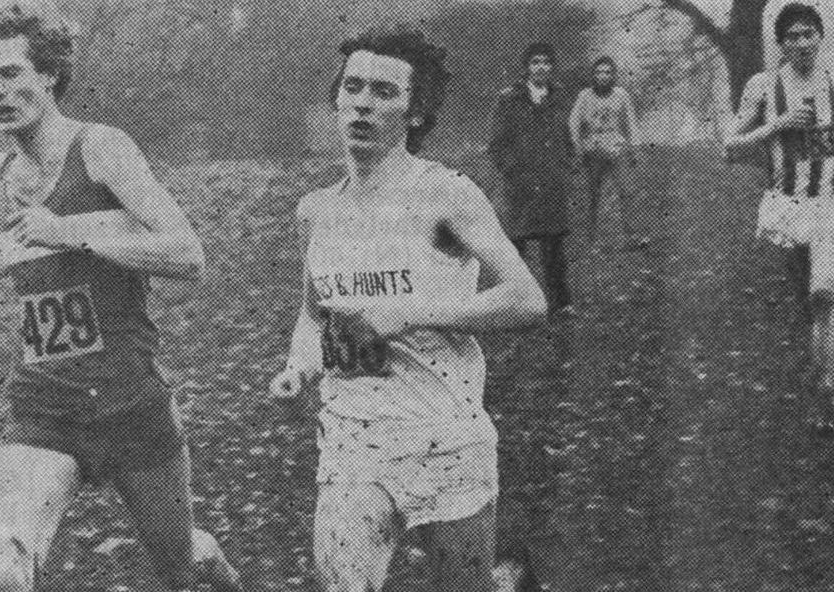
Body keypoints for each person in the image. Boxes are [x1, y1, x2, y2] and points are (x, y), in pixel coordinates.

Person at [0, 4, 241, 590]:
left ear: (49, 74)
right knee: (6, 570)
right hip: (44, 402)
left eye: (11, 73)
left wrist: (70, 231)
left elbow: (187, 255)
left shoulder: (100, 148)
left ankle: (207, 560)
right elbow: (17, 246)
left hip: (129, 399)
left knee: (180, 567)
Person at [269, 27, 547, 592]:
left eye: (383, 91)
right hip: (353, 439)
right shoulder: (315, 211)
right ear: (336, 99)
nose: (362, 104)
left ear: (416, 113)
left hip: (444, 438)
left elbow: (526, 299)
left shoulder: (445, 194)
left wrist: (411, 313)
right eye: (352, 87)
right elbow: (314, 314)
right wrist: (298, 366)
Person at [725, 2, 834, 430]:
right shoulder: (763, 87)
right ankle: (821, 375)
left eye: (808, 34)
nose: (802, 43)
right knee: (810, 303)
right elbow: (729, 145)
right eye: (792, 37)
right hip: (790, 209)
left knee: (823, 293)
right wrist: (777, 124)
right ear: (781, 44)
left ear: (819, 37)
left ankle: (828, 391)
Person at [489, 42, 575, 316]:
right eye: (536, 62)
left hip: (551, 181)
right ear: (527, 67)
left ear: (552, 67)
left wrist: (564, 164)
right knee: (516, 246)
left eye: (546, 62)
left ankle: (560, 303)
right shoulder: (509, 99)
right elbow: (497, 143)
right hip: (520, 183)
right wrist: (511, 169)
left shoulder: (560, 97)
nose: (541, 67)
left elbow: (567, 136)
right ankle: (514, 303)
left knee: (554, 246)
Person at [569, 56, 647, 250]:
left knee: (627, 190)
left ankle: (632, 237)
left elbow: (631, 122)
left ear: (613, 75)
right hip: (593, 148)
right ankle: (591, 239)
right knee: (593, 194)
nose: (603, 76)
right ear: (593, 75)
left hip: (616, 147)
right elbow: (573, 123)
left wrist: (635, 148)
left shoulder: (621, 94)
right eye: (598, 72)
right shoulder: (585, 96)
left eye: (607, 72)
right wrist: (577, 149)